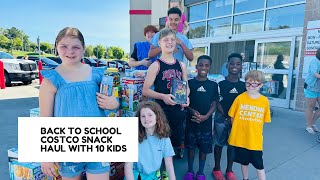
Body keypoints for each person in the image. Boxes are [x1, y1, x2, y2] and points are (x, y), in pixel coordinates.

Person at [39, 27, 119, 180]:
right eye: (64, 46)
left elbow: (115, 101)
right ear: (56, 47)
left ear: (83, 49)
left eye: (76, 47)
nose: (70, 51)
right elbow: (45, 119)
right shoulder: (51, 80)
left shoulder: (97, 74)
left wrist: (113, 103)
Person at [143, 28, 189, 163]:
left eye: (172, 40)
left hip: (178, 113)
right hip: (161, 113)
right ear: (159, 43)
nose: (169, 42)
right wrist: (163, 96)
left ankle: (168, 172)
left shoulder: (182, 65)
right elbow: (146, 90)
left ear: (176, 42)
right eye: (166, 40)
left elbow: (186, 87)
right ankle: (158, 171)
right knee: (159, 146)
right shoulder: (156, 65)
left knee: (171, 147)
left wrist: (187, 97)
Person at [228, 70, 271, 180]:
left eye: (254, 84)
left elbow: (264, 121)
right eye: (248, 83)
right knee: (244, 163)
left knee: (259, 166)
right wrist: (238, 130)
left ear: (260, 85)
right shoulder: (240, 98)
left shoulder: (264, 101)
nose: (251, 86)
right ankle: (245, 178)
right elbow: (232, 116)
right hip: (241, 140)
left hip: (255, 141)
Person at [184, 55, 219, 180]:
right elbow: (184, 101)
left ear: (210, 67)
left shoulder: (213, 85)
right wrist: (192, 111)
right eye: (201, 65)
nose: (203, 67)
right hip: (191, 122)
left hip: (205, 124)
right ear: (196, 67)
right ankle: (189, 171)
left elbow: (214, 103)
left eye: (206, 65)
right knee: (191, 148)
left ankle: (200, 172)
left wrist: (206, 116)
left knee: (203, 150)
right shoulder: (189, 83)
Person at [212, 53, 246, 180]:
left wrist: (234, 117)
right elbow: (217, 100)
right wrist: (227, 115)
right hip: (221, 118)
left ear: (241, 66)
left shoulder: (244, 84)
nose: (234, 66)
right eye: (232, 63)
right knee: (219, 144)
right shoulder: (220, 82)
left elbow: (245, 103)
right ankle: (216, 168)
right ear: (227, 65)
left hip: (236, 120)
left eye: (238, 64)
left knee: (232, 145)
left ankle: (229, 170)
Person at [124, 101, 176, 180]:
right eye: (143, 116)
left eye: (150, 115)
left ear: (157, 117)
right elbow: (128, 167)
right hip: (135, 176)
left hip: (153, 176)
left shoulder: (164, 139)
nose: (146, 119)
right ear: (139, 119)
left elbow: (169, 166)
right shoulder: (133, 136)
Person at [304, 48, 320, 134]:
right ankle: (308, 126)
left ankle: (312, 123)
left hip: (319, 88)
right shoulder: (315, 61)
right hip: (311, 87)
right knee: (311, 107)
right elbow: (315, 73)